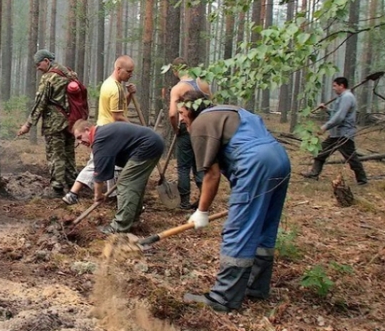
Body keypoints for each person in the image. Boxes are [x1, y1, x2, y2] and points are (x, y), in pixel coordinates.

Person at [176, 89, 290, 312]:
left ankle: (223, 298)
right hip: (280, 159)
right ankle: (256, 287)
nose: (180, 118)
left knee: (239, 229)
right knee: (265, 226)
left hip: (255, 164)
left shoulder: (200, 124)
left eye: (182, 112)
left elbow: (211, 174)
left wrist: (202, 211)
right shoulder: (228, 111)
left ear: (191, 109)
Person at [62, 56, 137, 205]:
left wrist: (129, 95)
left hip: (106, 129)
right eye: (128, 71)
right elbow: (118, 116)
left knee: (105, 163)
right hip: (110, 132)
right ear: (118, 69)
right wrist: (135, 130)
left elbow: (119, 108)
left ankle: (110, 196)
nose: (130, 75)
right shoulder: (115, 89)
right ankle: (74, 193)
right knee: (98, 164)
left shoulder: (111, 84)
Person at [73, 119, 164, 234]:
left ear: (87, 130)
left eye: (80, 137)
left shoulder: (100, 139)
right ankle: (133, 220)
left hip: (147, 146)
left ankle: (119, 227)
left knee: (126, 183)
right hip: (152, 144)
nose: (80, 142)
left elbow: (99, 175)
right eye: (78, 140)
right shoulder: (103, 134)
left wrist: (98, 196)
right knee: (134, 184)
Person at [17, 50, 78, 196]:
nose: (37, 67)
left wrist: (28, 124)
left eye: (39, 64)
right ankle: (73, 185)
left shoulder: (49, 77)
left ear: (46, 60)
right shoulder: (69, 73)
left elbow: (40, 103)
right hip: (71, 121)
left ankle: (57, 188)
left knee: (55, 154)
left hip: (54, 123)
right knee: (69, 153)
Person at [301, 77, 367, 185]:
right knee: (321, 152)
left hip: (344, 134)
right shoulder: (342, 97)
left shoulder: (347, 97)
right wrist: (326, 109)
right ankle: (314, 174)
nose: (333, 88)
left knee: (351, 158)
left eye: (335, 86)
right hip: (335, 134)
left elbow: (340, 117)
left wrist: (325, 127)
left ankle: (362, 180)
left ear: (342, 86)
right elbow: (336, 113)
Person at [168, 57, 212, 210]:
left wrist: (176, 129)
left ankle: (184, 201)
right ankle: (204, 199)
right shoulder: (204, 83)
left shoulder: (178, 88)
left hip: (186, 128)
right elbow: (211, 105)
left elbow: (173, 114)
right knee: (200, 164)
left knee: (184, 167)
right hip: (204, 128)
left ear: (175, 71)